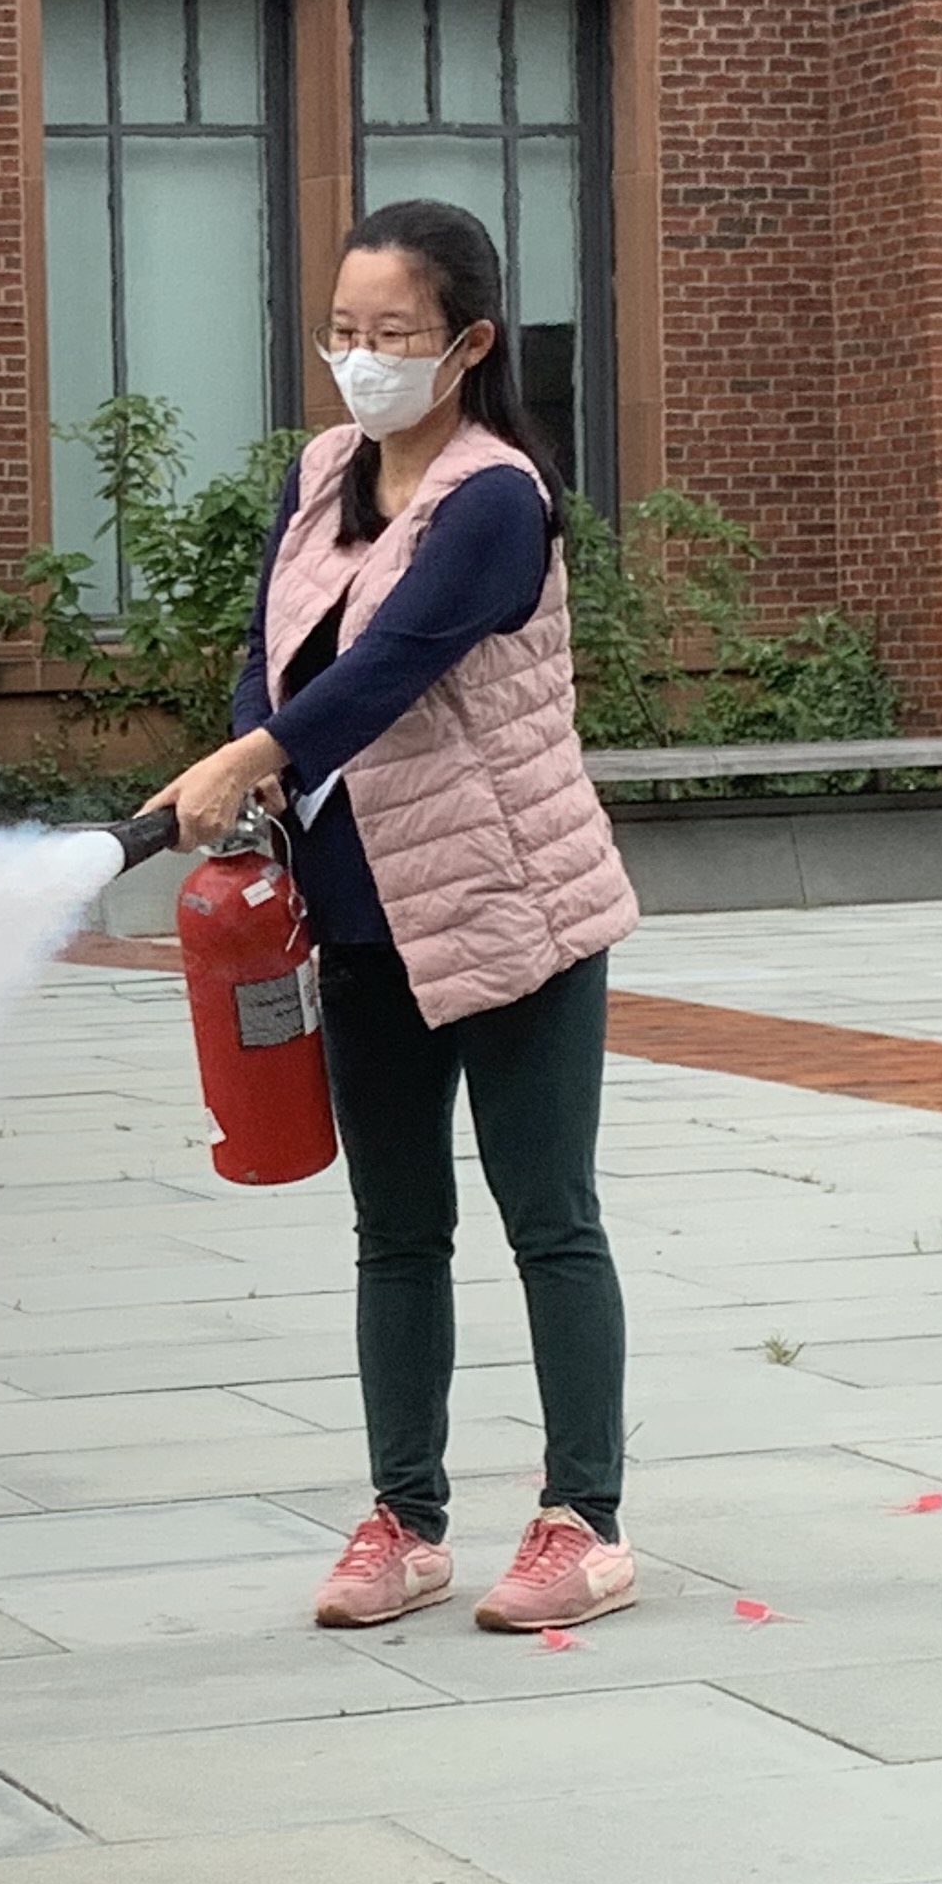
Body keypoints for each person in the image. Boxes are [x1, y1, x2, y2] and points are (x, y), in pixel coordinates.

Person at [143, 199, 642, 1634]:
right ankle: (404, 1523)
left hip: (506, 905)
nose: (361, 360)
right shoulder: (324, 472)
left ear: (470, 344)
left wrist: (255, 756)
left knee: (549, 1219)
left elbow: (394, 670)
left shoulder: (494, 499)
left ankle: (582, 1522)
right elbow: (278, 653)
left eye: (394, 336)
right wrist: (257, 763)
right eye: (342, 333)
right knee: (396, 1226)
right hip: (355, 915)